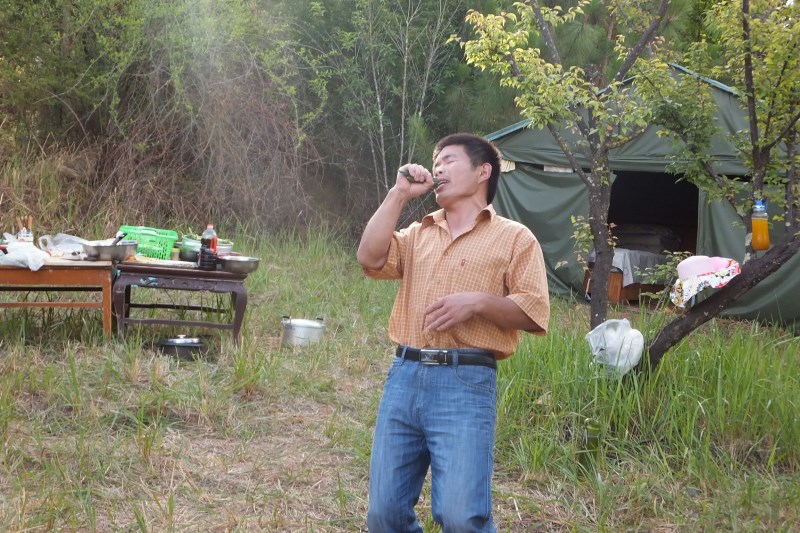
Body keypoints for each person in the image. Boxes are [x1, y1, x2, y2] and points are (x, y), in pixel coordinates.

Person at [357, 133, 550, 532]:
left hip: (466, 382)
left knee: (463, 518)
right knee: (384, 515)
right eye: (436, 162)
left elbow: (534, 312)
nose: (438, 168)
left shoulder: (515, 238)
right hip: (405, 375)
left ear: (483, 171)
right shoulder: (418, 233)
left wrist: (477, 302)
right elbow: (370, 257)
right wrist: (398, 194)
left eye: (448, 160)